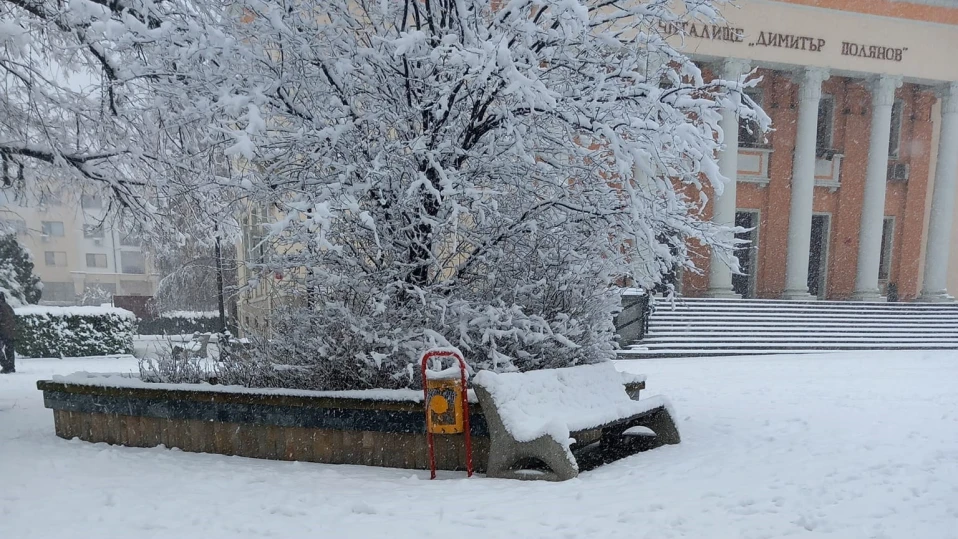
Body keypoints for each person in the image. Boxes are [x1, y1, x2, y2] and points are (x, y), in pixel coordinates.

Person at [0, 292, 16, 374]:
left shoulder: (1, 306)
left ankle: (6, 366)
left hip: (2, 332)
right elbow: (13, 317)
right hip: (11, 331)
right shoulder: (8, 306)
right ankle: (11, 366)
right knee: (9, 349)